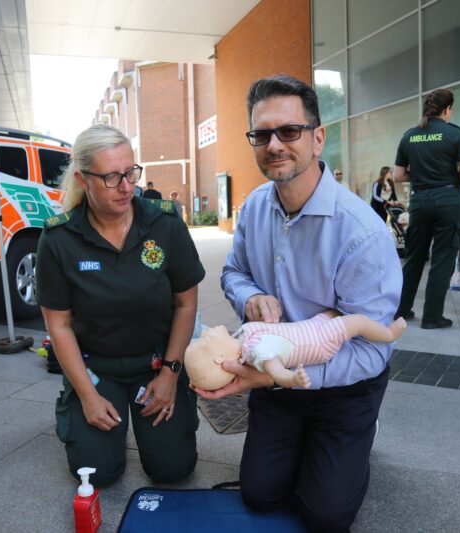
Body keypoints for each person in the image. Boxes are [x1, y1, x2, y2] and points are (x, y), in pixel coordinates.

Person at [193, 74, 402, 532]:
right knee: (261, 495)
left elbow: (370, 348)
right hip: (278, 380)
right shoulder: (252, 208)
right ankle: (311, 447)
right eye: (261, 134)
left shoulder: (360, 233)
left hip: (346, 386)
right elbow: (233, 273)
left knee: (325, 516)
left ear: (318, 137)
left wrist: (275, 380)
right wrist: (249, 299)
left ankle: (360, 437)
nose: (274, 145)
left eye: (289, 131)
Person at [36, 124, 206, 488]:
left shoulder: (165, 223)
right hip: (97, 367)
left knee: (173, 469)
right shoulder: (58, 239)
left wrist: (171, 375)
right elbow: (59, 326)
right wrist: (87, 395)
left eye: (131, 173)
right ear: (83, 180)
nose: (127, 186)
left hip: (156, 361)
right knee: (95, 473)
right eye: (112, 177)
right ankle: (87, 408)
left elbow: (186, 304)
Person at [392, 88, 460, 329]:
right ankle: (432, 316)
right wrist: (451, 175)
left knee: (415, 258)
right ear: (447, 109)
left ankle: (401, 310)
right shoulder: (454, 134)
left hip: (420, 201)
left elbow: (398, 175)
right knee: (442, 259)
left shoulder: (410, 136)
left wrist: (420, 174)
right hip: (448, 200)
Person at [185, 312, 406, 390]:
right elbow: (276, 372)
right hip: (320, 341)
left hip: (311, 326)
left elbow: (202, 330)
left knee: (334, 311)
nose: (204, 335)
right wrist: (293, 378)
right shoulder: (256, 351)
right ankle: (388, 335)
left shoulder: (240, 339)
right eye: (203, 342)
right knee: (356, 322)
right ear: (220, 357)